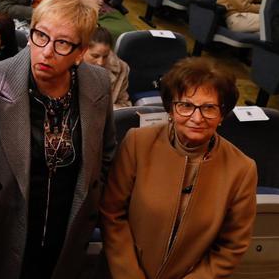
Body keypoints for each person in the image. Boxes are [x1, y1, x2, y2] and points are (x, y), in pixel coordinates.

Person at [0, 0, 116, 279]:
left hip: (65, 229)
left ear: (81, 52)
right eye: (40, 36)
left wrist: (90, 202)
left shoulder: (98, 83)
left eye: (62, 44)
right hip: (2, 228)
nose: (46, 51)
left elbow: (105, 152)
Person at [101, 57, 257, 278]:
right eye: (186, 106)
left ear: (222, 115)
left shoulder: (242, 169)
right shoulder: (138, 143)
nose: (196, 117)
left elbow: (231, 247)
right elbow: (112, 214)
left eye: (209, 108)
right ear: (171, 109)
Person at [83, 26, 131, 108]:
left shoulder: (122, 69)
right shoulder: (67, 65)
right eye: (95, 56)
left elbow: (124, 104)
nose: (100, 62)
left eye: (105, 56)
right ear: (82, 51)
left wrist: (104, 111)